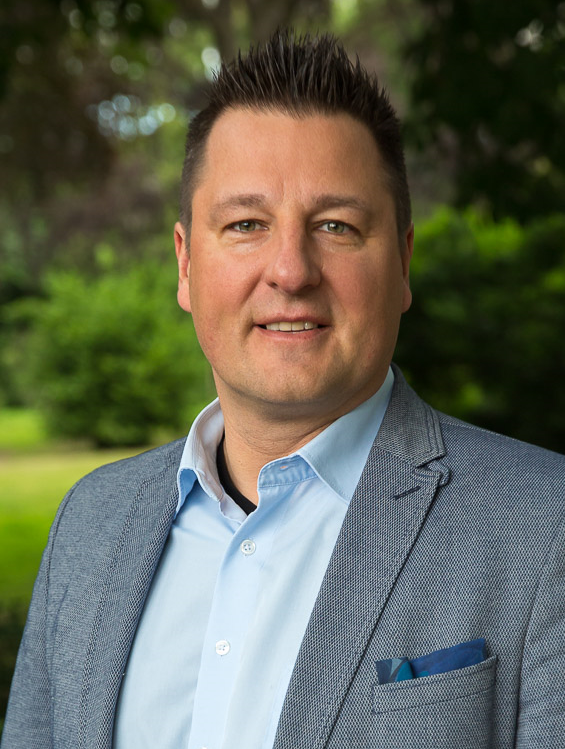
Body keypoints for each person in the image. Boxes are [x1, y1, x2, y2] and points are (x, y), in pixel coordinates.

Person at [2, 30, 564, 749]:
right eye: (246, 224)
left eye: (336, 226)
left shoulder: (543, 530)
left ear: (402, 263)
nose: (291, 271)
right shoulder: (90, 525)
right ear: (185, 264)